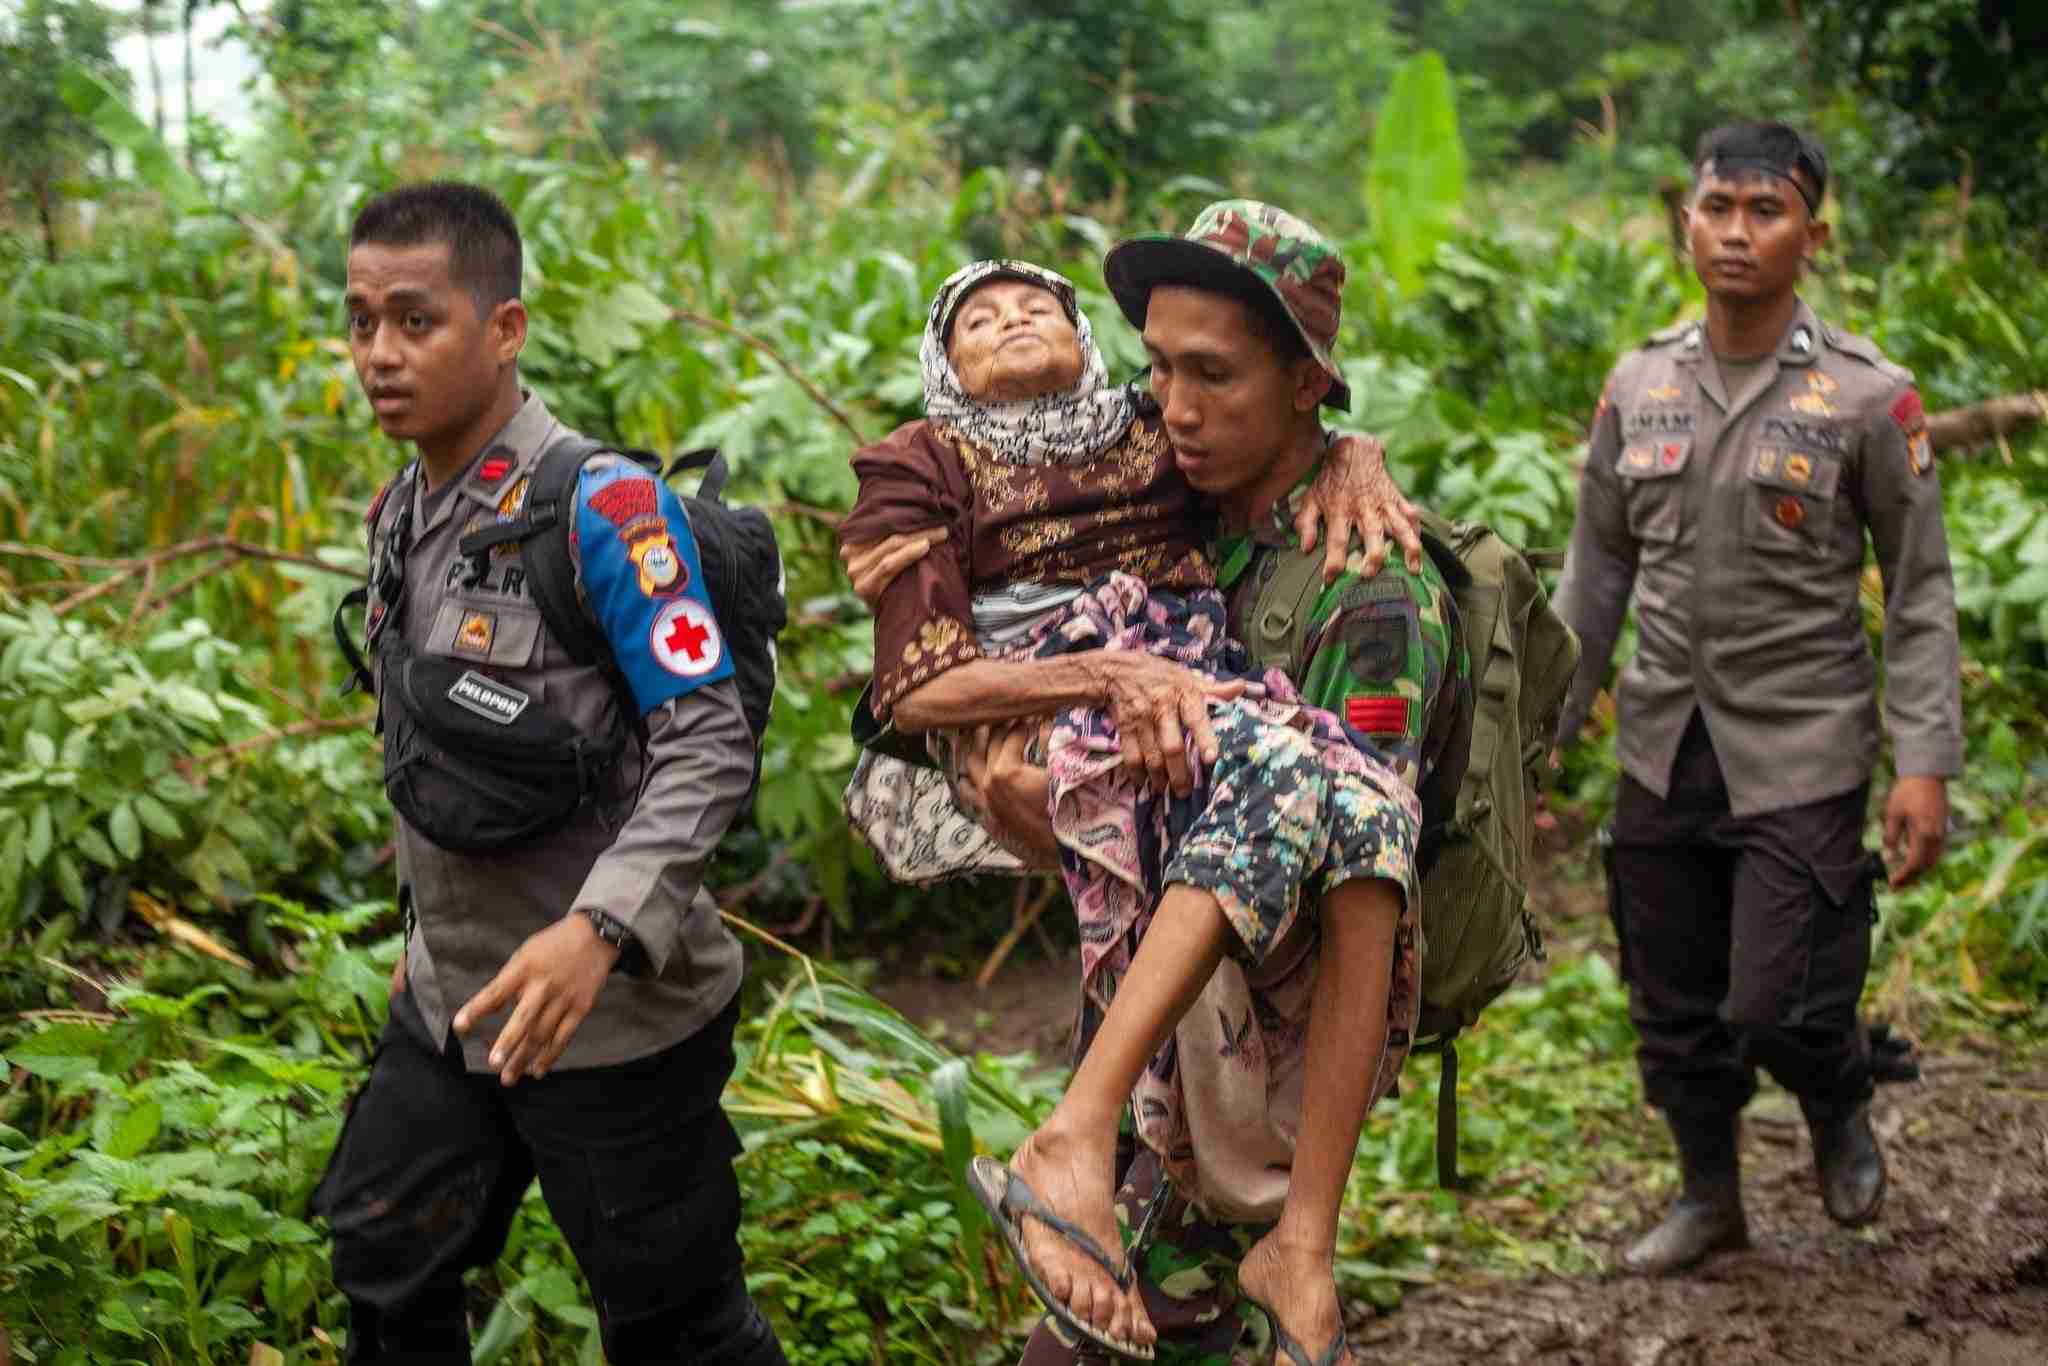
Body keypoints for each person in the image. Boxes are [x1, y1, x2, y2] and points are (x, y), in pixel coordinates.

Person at [846, 204, 1463, 1366]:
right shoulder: (1175, 514)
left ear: (1306, 382)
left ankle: (1171, 1197)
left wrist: (1306, 1225)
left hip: (1242, 1070)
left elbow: (1361, 896)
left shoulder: (1363, 588)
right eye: (1158, 367)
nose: (1172, 408)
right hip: (1142, 1032)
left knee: (1106, 1345)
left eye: (1213, 374)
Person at [311, 182, 788, 1364]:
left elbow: (706, 738)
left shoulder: (605, 512)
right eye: (362, 319)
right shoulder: (401, 511)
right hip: (458, 1003)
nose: (379, 352)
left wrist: (601, 930)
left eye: (415, 321)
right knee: (381, 1249)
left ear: (506, 328)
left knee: (678, 1327)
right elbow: (430, 749)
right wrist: (423, 947)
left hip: (614, 1016)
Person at [1553, 123, 1962, 1277]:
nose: (1735, 232)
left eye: (1763, 211)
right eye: (1715, 208)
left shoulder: (1868, 398)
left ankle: (1834, 1097)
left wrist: (1922, 760)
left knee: (1779, 997)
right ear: (1682, 221)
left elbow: (1920, 589)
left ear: (1811, 235)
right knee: (1670, 999)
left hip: (1803, 743)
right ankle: (1707, 1196)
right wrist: (1535, 733)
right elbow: (1593, 576)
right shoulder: (1637, 385)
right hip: (1660, 738)